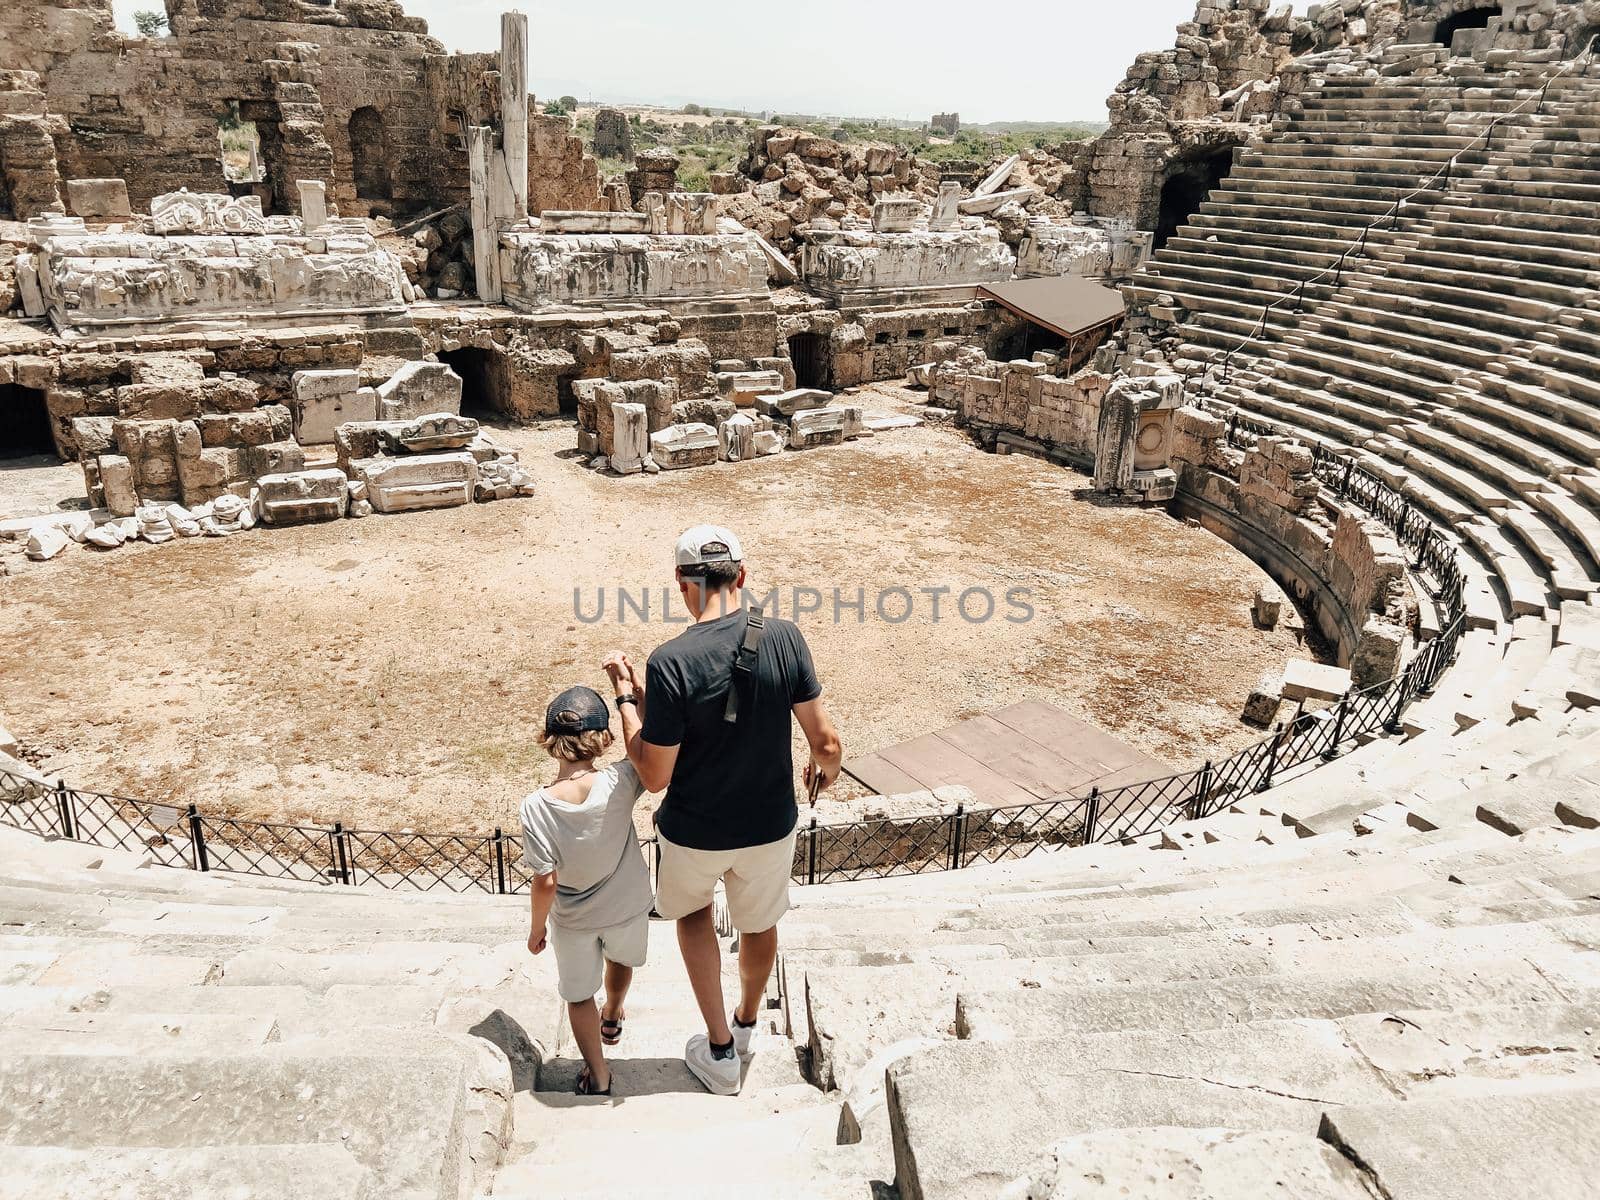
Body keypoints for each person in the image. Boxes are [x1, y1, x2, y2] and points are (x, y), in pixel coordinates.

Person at [604, 525, 842, 1095]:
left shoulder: (669, 662)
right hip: (768, 821)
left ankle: (717, 1051)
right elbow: (826, 744)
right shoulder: (785, 637)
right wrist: (821, 772)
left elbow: (655, 776)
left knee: (691, 916)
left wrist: (626, 700)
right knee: (760, 923)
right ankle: (747, 1023)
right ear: (741, 576)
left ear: (682, 585)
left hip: (695, 829)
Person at [521, 683, 653, 1096]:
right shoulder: (622, 779)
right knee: (621, 960)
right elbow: (649, 747)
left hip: (573, 920)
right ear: (603, 739)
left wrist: (536, 928)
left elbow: (545, 880)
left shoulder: (536, 806)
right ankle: (612, 1012)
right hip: (627, 905)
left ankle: (598, 1074)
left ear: (549, 740)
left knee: (578, 997)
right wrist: (630, 696)